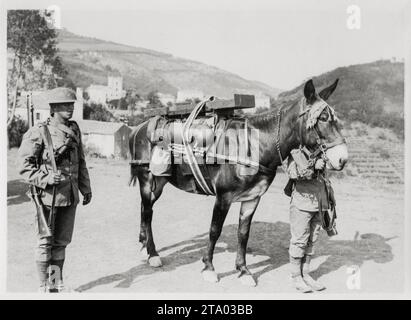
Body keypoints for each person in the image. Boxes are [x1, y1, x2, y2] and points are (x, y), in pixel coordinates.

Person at [18, 87, 92, 293]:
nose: (70, 108)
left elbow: (81, 162)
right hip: (47, 197)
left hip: (69, 195)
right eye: (65, 105)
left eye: (72, 105)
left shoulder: (74, 130)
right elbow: (24, 167)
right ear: (54, 108)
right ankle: (43, 287)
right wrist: (47, 177)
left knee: (61, 242)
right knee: (45, 242)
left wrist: (86, 188)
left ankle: (55, 284)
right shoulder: (39, 132)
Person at [285, 147, 337, 293]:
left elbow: (335, 166)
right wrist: (314, 166)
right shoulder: (295, 151)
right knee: (299, 240)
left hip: (320, 202)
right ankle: (296, 276)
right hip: (302, 203)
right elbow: (293, 173)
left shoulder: (323, 150)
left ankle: (305, 274)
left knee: (312, 239)